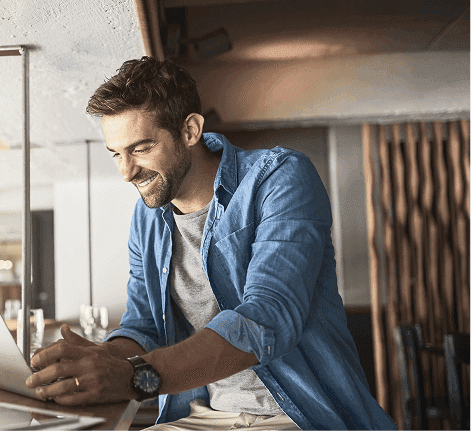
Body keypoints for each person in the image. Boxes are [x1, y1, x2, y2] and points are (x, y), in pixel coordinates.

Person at [25, 56, 396, 431]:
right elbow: (144, 327)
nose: (126, 172)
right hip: (202, 415)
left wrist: (131, 377)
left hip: (296, 415)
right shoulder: (147, 217)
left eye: (140, 148)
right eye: (117, 154)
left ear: (189, 130)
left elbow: (268, 315)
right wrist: (101, 361)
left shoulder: (280, 178)